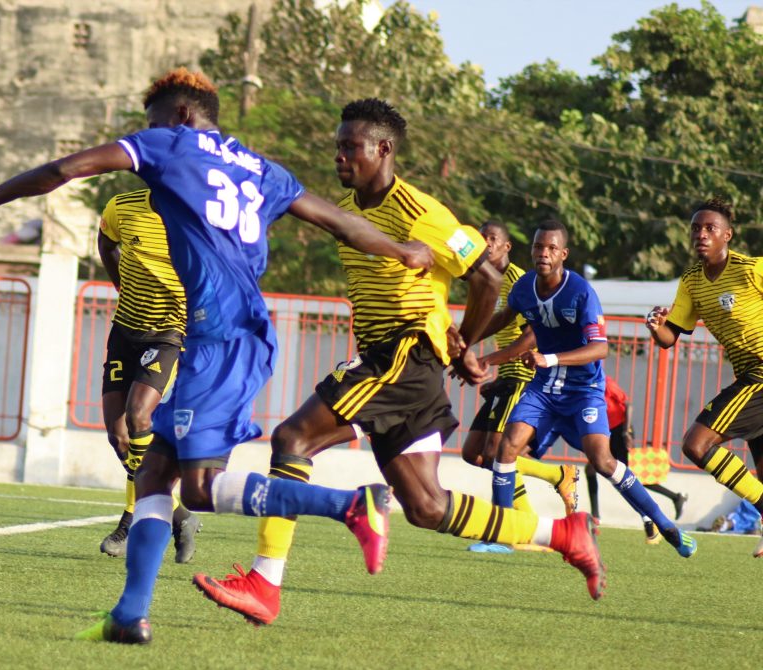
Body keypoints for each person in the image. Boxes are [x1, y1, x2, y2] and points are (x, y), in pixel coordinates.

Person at [0, 68, 435, 645]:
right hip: (235, 333)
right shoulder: (262, 169)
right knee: (157, 469)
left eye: (152, 122)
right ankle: (130, 615)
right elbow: (343, 224)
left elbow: (65, 169)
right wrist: (401, 250)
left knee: (201, 487)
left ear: (180, 115)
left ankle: (351, 506)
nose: (146, 135)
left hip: (218, 339)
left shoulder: (168, 143)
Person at [191, 99, 605, 628]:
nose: (340, 155)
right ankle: (563, 534)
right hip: (403, 363)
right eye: (338, 145)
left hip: (403, 354)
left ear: (383, 149)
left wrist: (466, 344)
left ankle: (265, 583)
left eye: (350, 146)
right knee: (427, 507)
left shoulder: (423, 214)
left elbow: (487, 276)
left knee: (293, 439)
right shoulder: (347, 205)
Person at [488, 219, 695, 565]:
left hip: (583, 390)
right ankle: (502, 535)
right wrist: (470, 339)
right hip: (544, 388)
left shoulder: (581, 292)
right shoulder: (524, 287)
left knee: (603, 462)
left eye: (552, 248)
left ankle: (663, 523)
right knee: (506, 447)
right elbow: (504, 317)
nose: (544, 253)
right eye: (539, 247)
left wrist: (548, 357)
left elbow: (600, 348)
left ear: (563, 254)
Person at [645, 197, 763, 557]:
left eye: (710, 228)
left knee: (696, 444)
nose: (701, 234)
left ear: (727, 235)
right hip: (747, 374)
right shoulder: (692, 282)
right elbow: (670, 339)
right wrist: (657, 326)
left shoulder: (751, 269)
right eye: (696, 227)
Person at [96, 189, 200, 562]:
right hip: (125, 329)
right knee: (118, 433)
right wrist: (121, 287)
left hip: (169, 332)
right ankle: (180, 515)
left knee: (140, 415)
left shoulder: (195, 214)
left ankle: (132, 520)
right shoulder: (122, 206)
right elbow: (106, 243)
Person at [461, 220, 579, 532]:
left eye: (492, 238)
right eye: (480, 238)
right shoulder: (486, 280)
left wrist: (486, 359)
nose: (485, 243)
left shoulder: (518, 280)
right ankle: (555, 481)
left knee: (497, 453)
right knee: (473, 453)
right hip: (506, 376)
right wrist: (463, 344)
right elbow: (492, 324)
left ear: (506, 247)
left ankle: (520, 523)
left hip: (523, 376)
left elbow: (531, 338)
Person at [585, 375, 688, 543]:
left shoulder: (605, 382)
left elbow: (628, 404)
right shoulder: (583, 385)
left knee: (624, 478)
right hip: (607, 432)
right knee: (596, 470)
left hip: (621, 430)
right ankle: (596, 516)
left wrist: (626, 432)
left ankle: (648, 516)